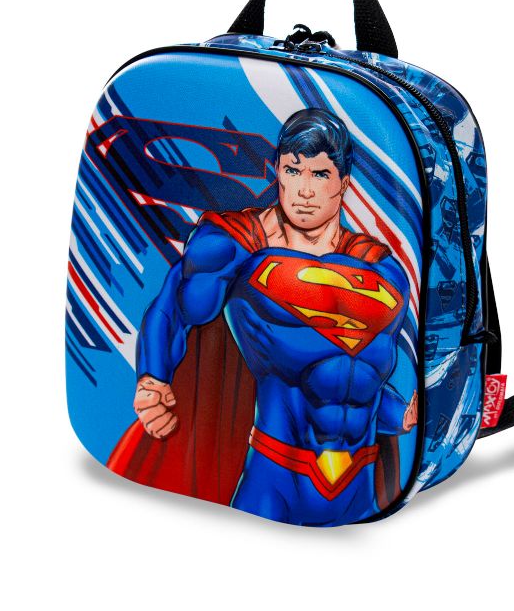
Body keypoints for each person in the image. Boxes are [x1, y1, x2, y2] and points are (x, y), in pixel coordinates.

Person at [109, 108, 417, 526]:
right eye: (294, 170)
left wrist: (404, 415)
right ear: (277, 172)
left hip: (359, 485)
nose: (304, 190)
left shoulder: (380, 269)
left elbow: (354, 374)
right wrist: (153, 380)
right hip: (274, 477)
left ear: (343, 182)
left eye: (320, 174)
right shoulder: (233, 245)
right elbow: (175, 305)